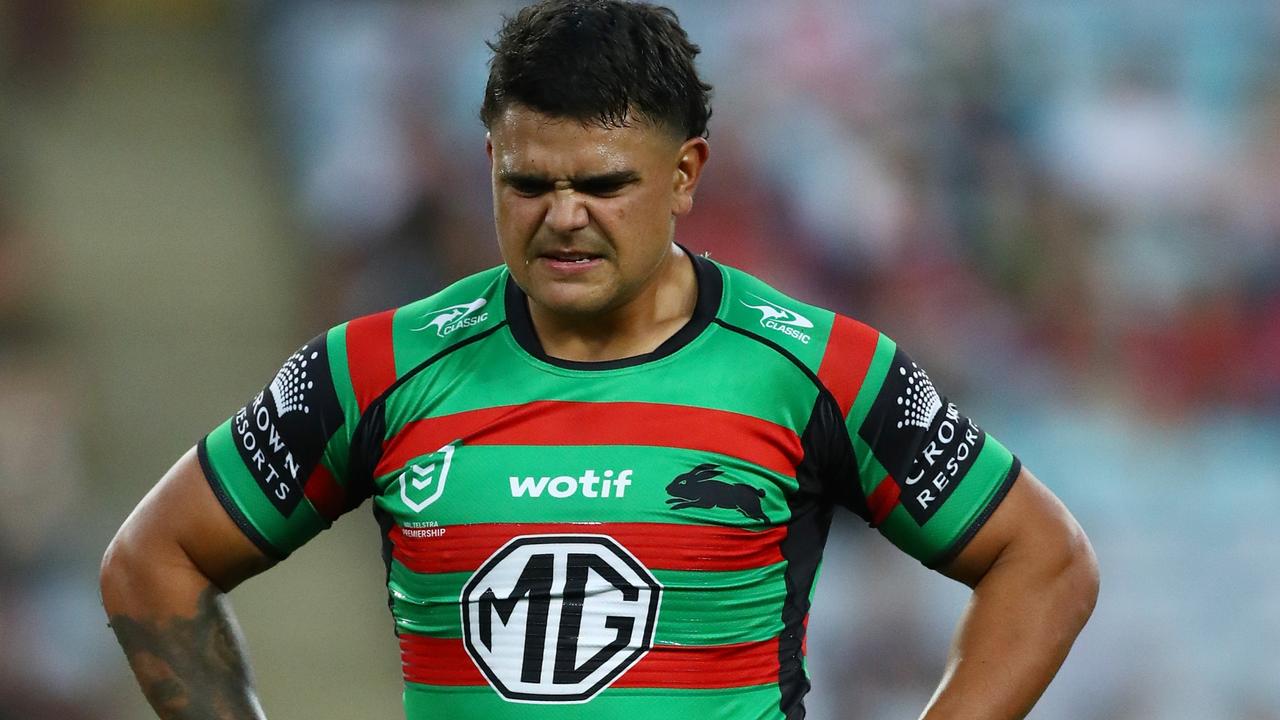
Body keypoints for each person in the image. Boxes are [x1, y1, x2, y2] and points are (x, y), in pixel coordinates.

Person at [99, 1, 1099, 718]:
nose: (562, 216)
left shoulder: (812, 368)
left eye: (602, 183)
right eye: (527, 181)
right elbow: (154, 561)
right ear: (488, 162)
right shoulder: (375, 367)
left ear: (683, 175)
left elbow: (1042, 562)